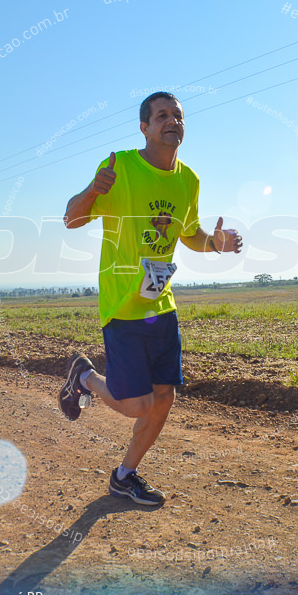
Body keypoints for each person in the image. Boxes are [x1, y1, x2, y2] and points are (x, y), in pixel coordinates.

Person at [61, 92, 242, 505]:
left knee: (163, 400)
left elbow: (189, 234)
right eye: (162, 115)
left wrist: (214, 243)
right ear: (144, 127)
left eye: (177, 115)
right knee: (136, 404)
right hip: (123, 307)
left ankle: (125, 475)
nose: (171, 121)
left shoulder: (188, 179)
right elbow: (72, 218)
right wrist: (93, 189)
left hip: (161, 305)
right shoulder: (120, 167)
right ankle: (84, 376)